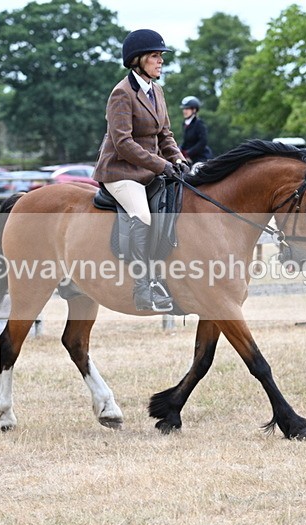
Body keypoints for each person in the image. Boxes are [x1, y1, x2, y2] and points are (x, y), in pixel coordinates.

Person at [93, 29, 189, 313]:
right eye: (155, 56)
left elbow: (166, 135)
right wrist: (163, 165)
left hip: (148, 171)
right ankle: (143, 285)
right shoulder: (121, 94)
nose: (160, 61)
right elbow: (123, 143)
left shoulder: (157, 91)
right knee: (143, 216)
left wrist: (179, 160)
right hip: (121, 172)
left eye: (161, 56)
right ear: (137, 60)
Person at [179, 95, 213, 166]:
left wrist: (188, 153)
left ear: (194, 110)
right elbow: (185, 142)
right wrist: (178, 150)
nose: (184, 111)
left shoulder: (199, 124)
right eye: (184, 109)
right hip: (189, 158)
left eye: (187, 109)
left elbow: (203, 142)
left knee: (195, 171)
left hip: (200, 157)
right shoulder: (185, 124)